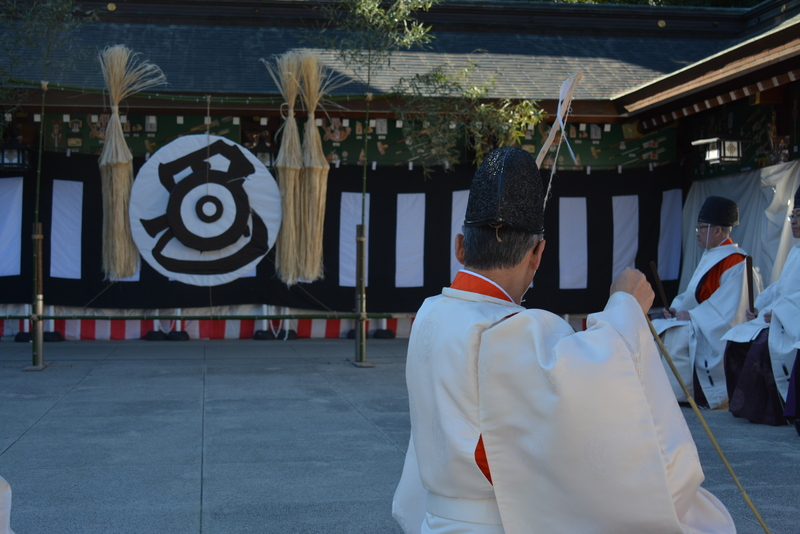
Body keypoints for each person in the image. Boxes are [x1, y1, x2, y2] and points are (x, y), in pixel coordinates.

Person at [392, 147, 734, 533]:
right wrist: (624, 307)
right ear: (537, 254)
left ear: (460, 246)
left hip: (437, 519)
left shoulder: (430, 314)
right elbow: (597, 389)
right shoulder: (516, 330)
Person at [651, 196, 761, 409]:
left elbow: (729, 310)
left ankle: (684, 394)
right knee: (658, 327)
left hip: (719, 331)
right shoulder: (712, 255)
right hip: (701, 322)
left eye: (702, 228)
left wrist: (691, 316)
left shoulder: (736, 261)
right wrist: (676, 309)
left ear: (717, 230)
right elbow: (693, 294)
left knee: (677, 334)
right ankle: (665, 392)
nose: (698, 233)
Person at [721, 188, 800, 425]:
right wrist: (758, 306)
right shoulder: (796, 251)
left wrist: (779, 313)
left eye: (797, 216)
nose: (793, 222)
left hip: (791, 321)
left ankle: (771, 411)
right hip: (783, 316)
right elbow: (780, 287)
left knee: (761, 345)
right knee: (737, 341)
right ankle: (747, 406)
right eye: (792, 216)